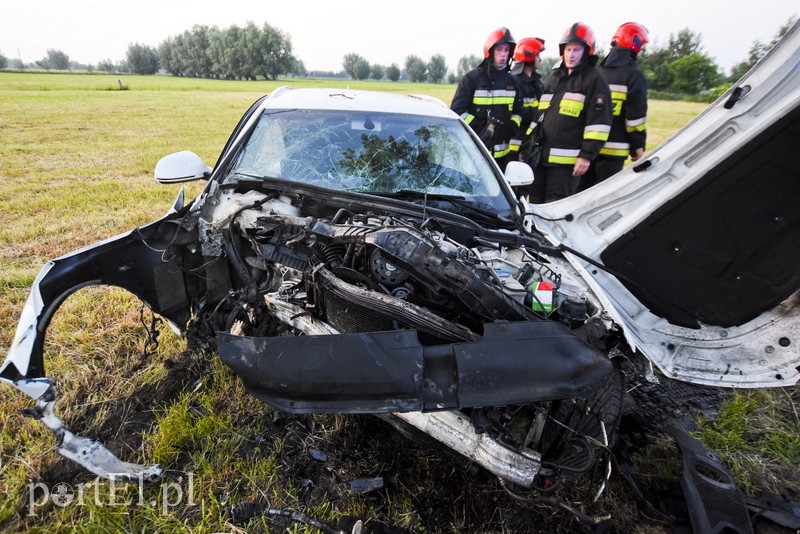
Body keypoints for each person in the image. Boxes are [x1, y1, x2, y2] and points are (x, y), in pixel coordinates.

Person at [530, 22, 612, 203]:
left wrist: (586, 156)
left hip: (566, 164)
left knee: (555, 207)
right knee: (534, 205)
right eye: (568, 50)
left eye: (576, 50)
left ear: (586, 51)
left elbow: (599, 123)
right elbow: (539, 115)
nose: (571, 55)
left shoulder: (595, 80)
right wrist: (528, 144)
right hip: (540, 158)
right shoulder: (554, 78)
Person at [582, 22, 650, 191]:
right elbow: (635, 118)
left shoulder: (595, 72)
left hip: (587, 150)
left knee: (579, 195)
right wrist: (637, 146)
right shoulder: (634, 76)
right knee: (603, 195)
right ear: (636, 45)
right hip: (614, 151)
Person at [451, 27, 523, 171]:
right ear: (489, 52)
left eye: (506, 50)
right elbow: (457, 111)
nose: (503, 54)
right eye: (499, 49)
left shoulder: (513, 82)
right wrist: (480, 128)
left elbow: (518, 112)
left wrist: (511, 127)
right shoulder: (472, 79)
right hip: (475, 152)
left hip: (502, 156)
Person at [509, 37, 546, 169]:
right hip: (515, 145)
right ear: (529, 56)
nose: (540, 59)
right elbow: (514, 112)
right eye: (538, 55)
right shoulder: (514, 82)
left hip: (531, 142)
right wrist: (538, 114)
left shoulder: (537, 83)